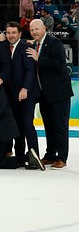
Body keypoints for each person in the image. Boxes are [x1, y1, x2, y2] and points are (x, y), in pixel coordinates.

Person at [28, 19, 73, 168]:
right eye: (32, 30)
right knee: (49, 126)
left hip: (59, 94)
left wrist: (39, 58)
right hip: (44, 95)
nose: (34, 32)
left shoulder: (54, 43)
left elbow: (59, 64)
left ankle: (62, 157)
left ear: (44, 28)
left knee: (60, 126)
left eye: (37, 29)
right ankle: (50, 155)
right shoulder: (34, 45)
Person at [5, 21, 40, 167]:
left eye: (14, 32)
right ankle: (19, 156)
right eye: (8, 33)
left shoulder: (26, 47)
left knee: (27, 124)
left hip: (27, 93)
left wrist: (25, 88)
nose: (11, 35)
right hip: (12, 94)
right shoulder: (4, 47)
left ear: (20, 34)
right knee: (17, 125)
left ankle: (34, 156)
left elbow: (30, 70)